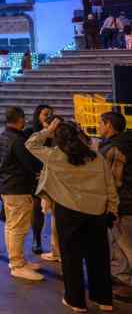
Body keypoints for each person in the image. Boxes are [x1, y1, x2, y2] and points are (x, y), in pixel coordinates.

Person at [27, 118, 117, 312]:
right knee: (99, 257)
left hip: (68, 212)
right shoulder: (96, 157)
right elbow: (109, 185)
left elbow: (31, 144)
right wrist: (112, 209)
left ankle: (76, 301)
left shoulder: (54, 156)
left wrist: (48, 130)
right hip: (96, 212)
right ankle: (103, 299)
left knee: (71, 257)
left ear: (57, 138)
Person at [0, 106, 44, 281]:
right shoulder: (17, 140)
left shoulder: (1, 137)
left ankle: (17, 260)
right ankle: (17, 265)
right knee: (18, 228)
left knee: (11, 226)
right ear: (20, 119)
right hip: (18, 188)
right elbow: (31, 164)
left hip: (7, 186)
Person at [97, 111, 132, 298]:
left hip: (122, 203)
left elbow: (110, 181)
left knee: (125, 244)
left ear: (109, 125)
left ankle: (127, 283)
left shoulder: (113, 149)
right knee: (120, 243)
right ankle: (123, 278)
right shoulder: (127, 142)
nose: (99, 127)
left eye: (100, 123)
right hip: (126, 201)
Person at [28, 105, 58, 259]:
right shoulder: (31, 132)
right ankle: (37, 238)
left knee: (56, 212)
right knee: (36, 209)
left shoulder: (57, 133)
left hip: (54, 176)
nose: (48, 116)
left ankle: (56, 247)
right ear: (38, 116)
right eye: (46, 114)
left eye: (51, 114)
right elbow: (27, 152)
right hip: (37, 175)